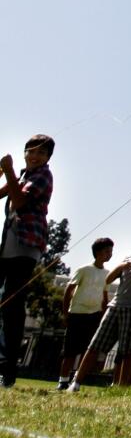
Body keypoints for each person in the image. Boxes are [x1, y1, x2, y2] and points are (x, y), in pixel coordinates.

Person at [68, 228, 131, 391]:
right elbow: (108, 279)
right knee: (95, 343)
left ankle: (121, 387)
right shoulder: (128, 259)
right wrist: (121, 266)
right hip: (116, 305)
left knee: (127, 349)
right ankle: (76, 382)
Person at [0, 134, 54, 387]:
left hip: (26, 247)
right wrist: (4, 173)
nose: (34, 156)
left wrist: (9, 170)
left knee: (11, 304)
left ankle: (7, 371)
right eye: (30, 151)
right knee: (5, 304)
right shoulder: (22, 176)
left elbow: (20, 202)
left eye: (41, 153)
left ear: (47, 159)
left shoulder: (42, 176)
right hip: (8, 247)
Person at [57, 237, 114, 390]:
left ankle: (76, 380)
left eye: (111, 251)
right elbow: (69, 290)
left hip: (94, 315)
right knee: (70, 350)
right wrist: (65, 313)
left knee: (87, 349)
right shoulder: (84, 270)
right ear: (97, 252)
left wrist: (103, 315)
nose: (109, 254)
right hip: (77, 313)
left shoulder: (108, 274)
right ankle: (63, 380)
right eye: (106, 251)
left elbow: (104, 296)